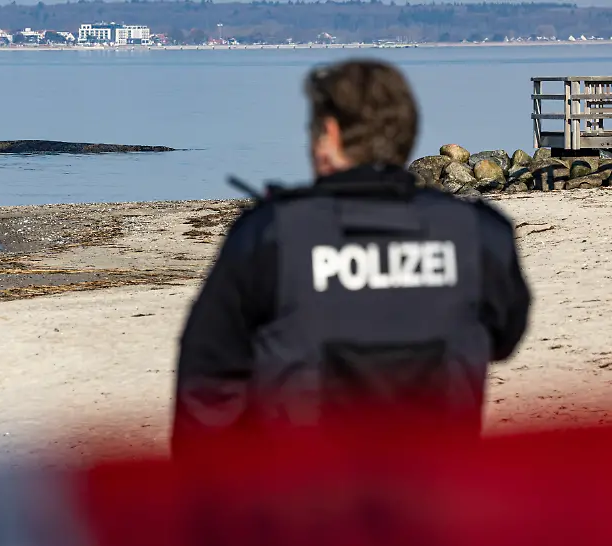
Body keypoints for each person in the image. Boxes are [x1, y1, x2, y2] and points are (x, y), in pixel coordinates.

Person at [172, 59, 531, 456]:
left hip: (303, 503)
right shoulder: (478, 234)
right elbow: (506, 336)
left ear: (329, 134)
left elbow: (205, 385)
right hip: (440, 497)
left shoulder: (270, 237)